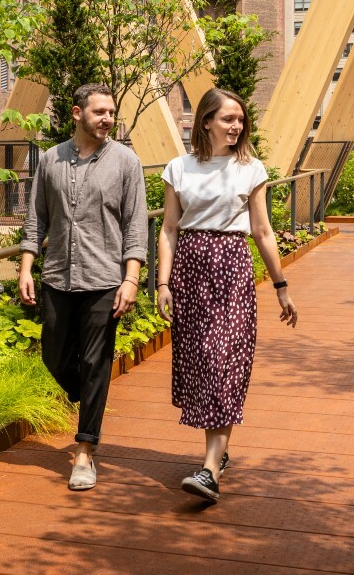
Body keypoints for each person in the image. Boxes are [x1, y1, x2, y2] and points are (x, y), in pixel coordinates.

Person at [157, 87, 298, 505]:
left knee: (223, 362)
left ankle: (210, 470)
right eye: (228, 119)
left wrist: (281, 287)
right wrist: (162, 283)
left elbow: (263, 231)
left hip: (232, 269)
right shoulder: (178, 168)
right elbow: (168, 229)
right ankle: (219, 451)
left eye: (240, 120)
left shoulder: (251, 169)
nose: (236, 126)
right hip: (190, 269)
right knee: (202, 361)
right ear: (206, 122)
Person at [18, 83, 146, 491]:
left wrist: (131, 278)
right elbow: (36, 218)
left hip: (105, 278)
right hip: (57, 275)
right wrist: (26, 268)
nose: (108, 118)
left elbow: (135, 225)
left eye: (112, 112)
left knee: (95, 363)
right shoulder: (51, 160)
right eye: (100, 112)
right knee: (53, 356)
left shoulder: (126, 162)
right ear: (77, 114)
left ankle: (85, 450)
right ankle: (92, 396)